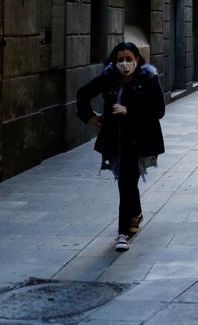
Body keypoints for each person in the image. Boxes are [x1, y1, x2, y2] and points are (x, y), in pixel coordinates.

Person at [76, 42, 165, 251]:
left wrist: (129, 111)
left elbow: (158, 110)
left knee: (128, 180)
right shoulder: (108, 79)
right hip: (116, 139)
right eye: (120, 59)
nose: (124, 63)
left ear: (137, 60)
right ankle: (129, 223)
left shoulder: (149, 80)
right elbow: (82, 94)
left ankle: (128, 225)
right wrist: (89, 116)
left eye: (129, 59)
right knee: (126, 181)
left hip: (141, 139)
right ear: (114, 61)